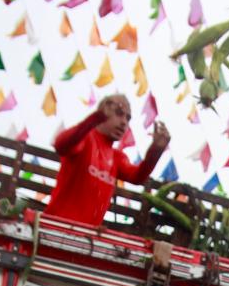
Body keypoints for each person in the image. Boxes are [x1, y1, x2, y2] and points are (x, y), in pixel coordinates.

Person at [44, 93, 170, 228]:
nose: (124, 123)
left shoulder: (117, 157)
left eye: (128, 118)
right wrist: (96, 118)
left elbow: (138, 177)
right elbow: (60, 144)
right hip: (55, 230)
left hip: (85, 239)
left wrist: (155, 151)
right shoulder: (86, 139)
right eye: (119, 113)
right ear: (104, 111)